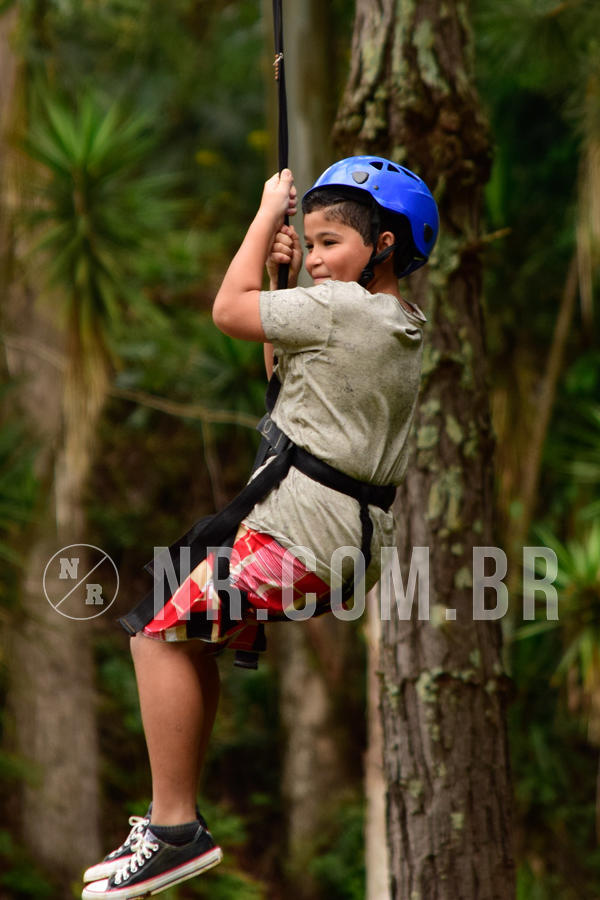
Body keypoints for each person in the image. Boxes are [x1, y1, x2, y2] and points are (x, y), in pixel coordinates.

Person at [81, 156, 438, 899]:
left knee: (153, 628)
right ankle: (171, 822)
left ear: (385, 248)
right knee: (186, 632)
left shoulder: (340, 310)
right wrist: (279, 278)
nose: (313, 259)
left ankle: (175, 829)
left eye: (330, 242)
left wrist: (263, 215)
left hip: (298, 537)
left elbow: (228, 314)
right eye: (306, 243)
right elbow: (287, 372)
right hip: (335, 544)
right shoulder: (399, 325)